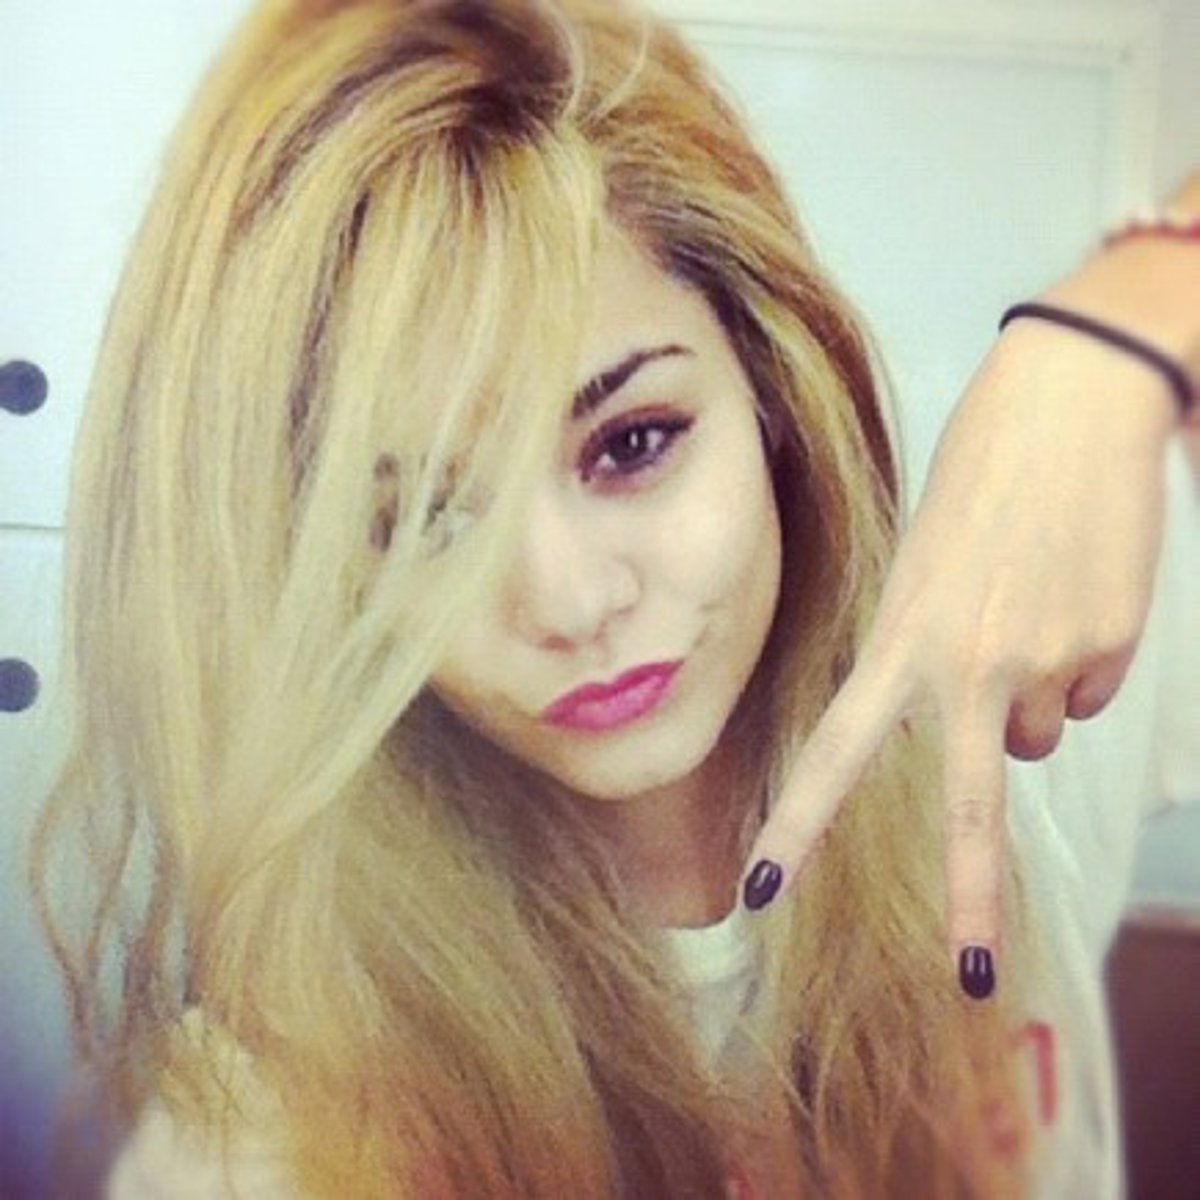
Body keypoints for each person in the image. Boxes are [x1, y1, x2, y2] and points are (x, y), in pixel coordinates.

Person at [31, 0, 1198, 1196]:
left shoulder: (1009, 705)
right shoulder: (271, 1130)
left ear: (774, 386)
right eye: (421, 521)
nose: (570, 601)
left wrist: (1110, 339)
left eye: (632, 442)